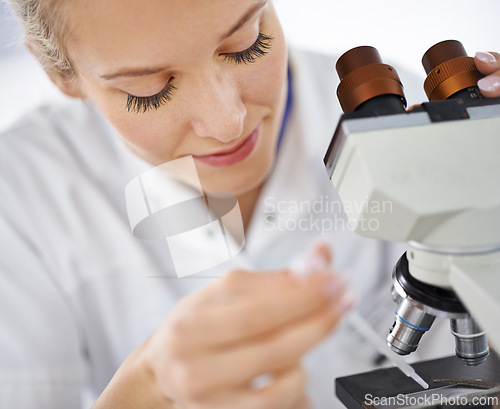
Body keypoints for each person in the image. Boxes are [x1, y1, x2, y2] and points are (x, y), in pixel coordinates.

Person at [1, 0, 499, 408]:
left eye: (247, 45)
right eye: (150, 92)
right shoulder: (24, 193)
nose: (227, 122)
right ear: (60, 73)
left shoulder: (414, 124)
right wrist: (145, 393)